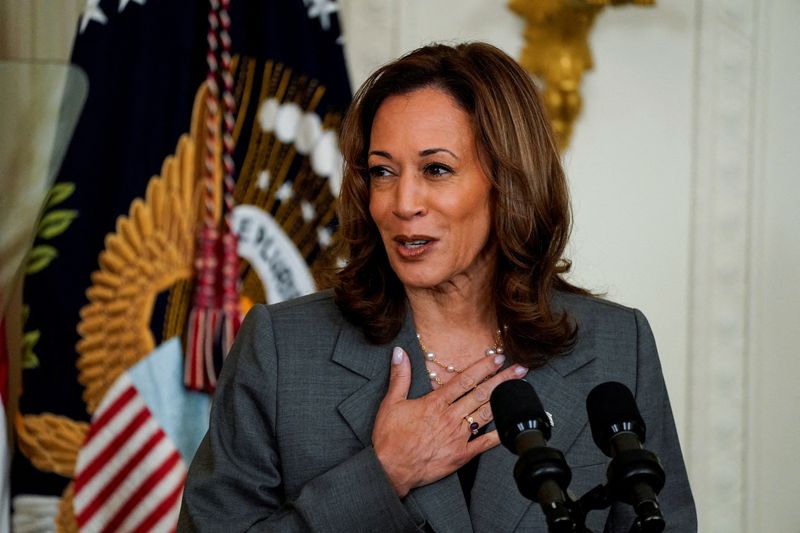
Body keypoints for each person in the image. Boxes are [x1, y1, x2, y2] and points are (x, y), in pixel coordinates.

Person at [177, 42, 696, 532]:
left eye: (436, 169)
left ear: (508, 183)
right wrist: (382, 475)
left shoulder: (616, 346)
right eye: (382, 172)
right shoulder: (282, 349)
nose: (402, 202)